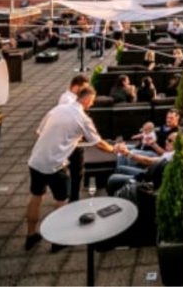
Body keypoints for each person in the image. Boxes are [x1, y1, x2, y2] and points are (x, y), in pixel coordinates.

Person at [24, 86, 117, 251]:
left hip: (36, 160)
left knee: (36, 197)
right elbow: (98, 143)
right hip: (55, 165)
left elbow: (40, 132)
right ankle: (58, 241)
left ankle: (31, 235)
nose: (92, 105)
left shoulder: (57, 109)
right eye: (92, 101)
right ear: (87, 99)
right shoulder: (82, 117)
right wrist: (114, 149)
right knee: (61, 201)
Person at [106, 132, 178, 196]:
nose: (166, 141)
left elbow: (148, 161)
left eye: (169, 140)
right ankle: (121, 192)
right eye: (166, 139)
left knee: (112, 179)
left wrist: (128, 153)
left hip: (147, 180)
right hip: (147, 171)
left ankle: (120, 194)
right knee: (120, 168)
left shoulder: (173, 155)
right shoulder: (169, 153)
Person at [58, 74, 90, 200]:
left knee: (74, 172)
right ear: (76, 87)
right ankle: (73, 199)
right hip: (71, 142)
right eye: (83, 89)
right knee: (76, 172)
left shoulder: (66, 97)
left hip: (69, 140)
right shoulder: (69, 101)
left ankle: (72, 196)